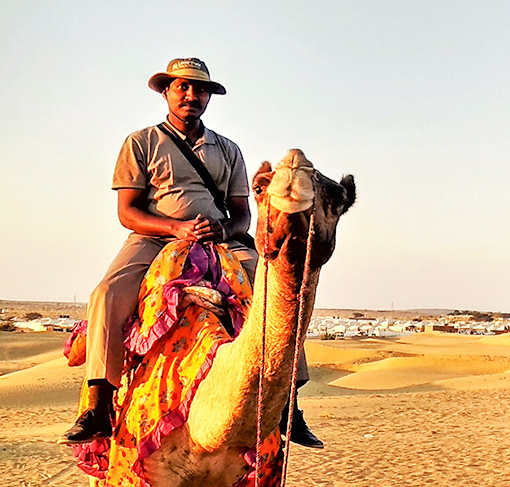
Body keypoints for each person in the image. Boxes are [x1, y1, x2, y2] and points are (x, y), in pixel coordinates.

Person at [61, 58, 323, 449]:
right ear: (166, 91)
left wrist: (223, 228)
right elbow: (128, 212)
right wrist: (176, 228)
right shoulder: (141, 142)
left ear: (208, 97)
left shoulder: (228, 149)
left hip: (220, 241)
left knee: (280, 291)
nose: (191, 95)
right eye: (182, 87)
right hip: (155, 239)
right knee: (106, 294)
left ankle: (289, 403)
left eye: (199, 89)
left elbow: (241, 214)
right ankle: (99, 404)